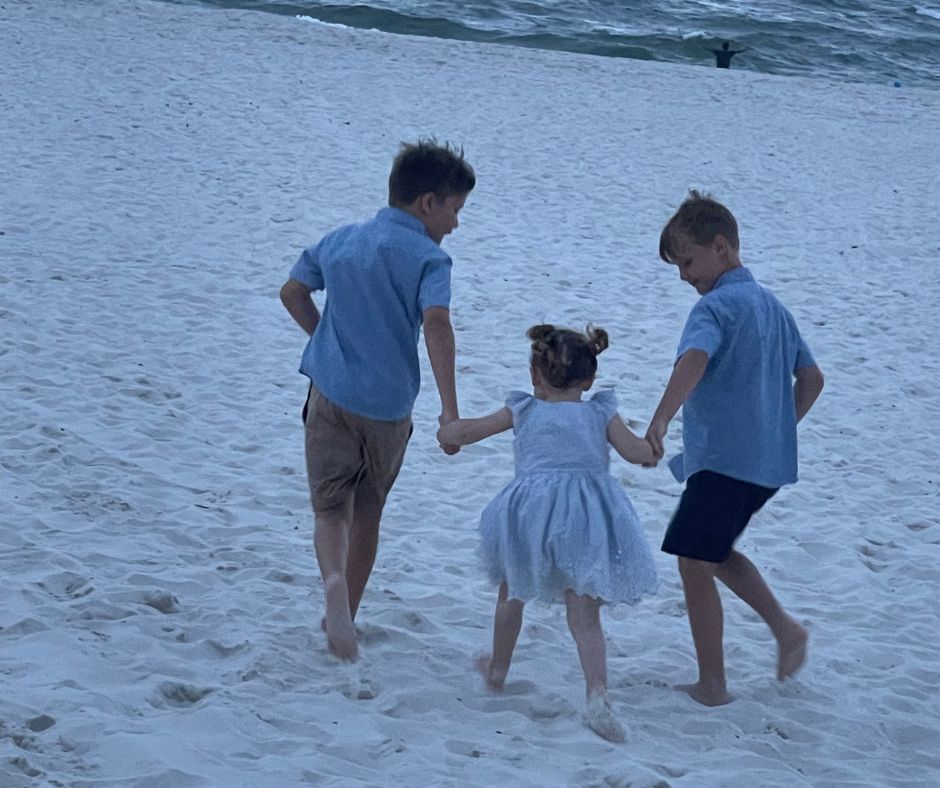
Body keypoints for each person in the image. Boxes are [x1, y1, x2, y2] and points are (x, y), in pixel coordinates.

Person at [280, 140, 475, 662]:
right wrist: (449, 409)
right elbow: (436, 323)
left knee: (328, 510)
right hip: (387, 408)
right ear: (428, 203)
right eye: (455, 209)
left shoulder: (343, 240)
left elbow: (293, 291)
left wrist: (324, 339)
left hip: (330, 391)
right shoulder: (431, 258)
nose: (455, 223)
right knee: (367, 512)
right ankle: (349, 611)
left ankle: (333, 583)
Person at [645, 191, 825, 707]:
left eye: (687, 261)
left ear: (721, 247)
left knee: (692, 560)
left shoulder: (716, 306)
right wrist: (778, 428)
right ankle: (787, 632)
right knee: (713, 552)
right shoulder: (773, 307)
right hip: (763, 467)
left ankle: (713, 684)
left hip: (725, 463)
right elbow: (811, 379)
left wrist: (659, 421)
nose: (683, 275)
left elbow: (693, 362)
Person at [437, 324, 658, 742]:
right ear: (589, 379)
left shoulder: (524, 410)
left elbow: (470, 431)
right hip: (586, 517)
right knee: (585, 614)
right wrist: (652, 448)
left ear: (534, 373)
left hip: (530, 516)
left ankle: (498, 669)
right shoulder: (599, 412)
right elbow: (636, 452)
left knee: (512, 593)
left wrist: (448, 431)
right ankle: (597, 695)